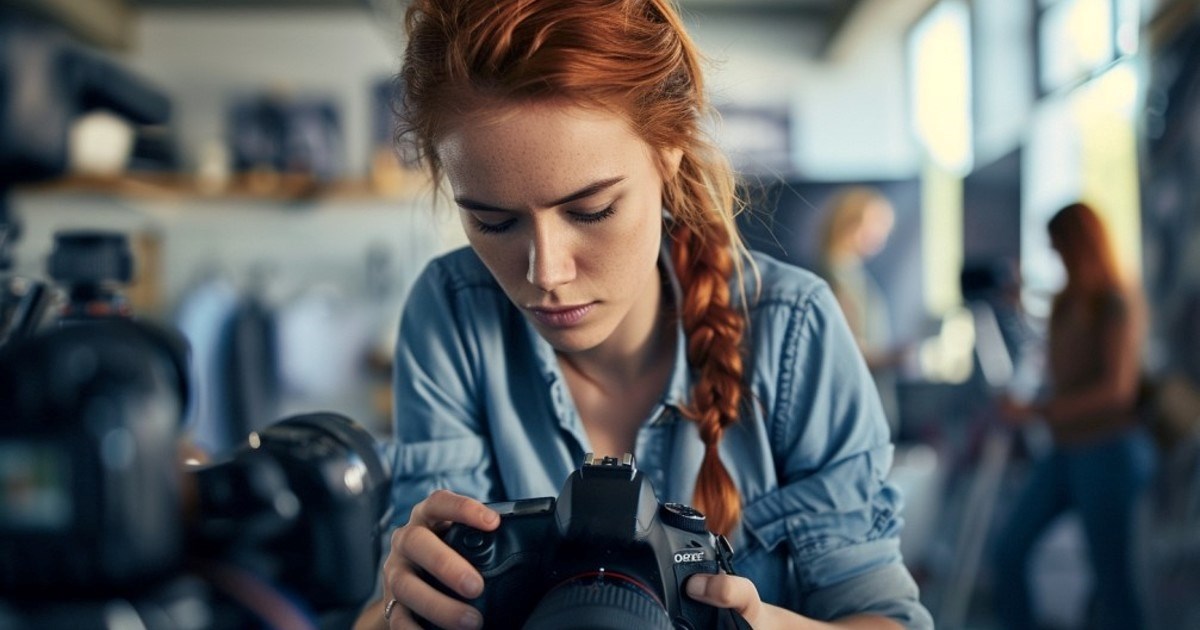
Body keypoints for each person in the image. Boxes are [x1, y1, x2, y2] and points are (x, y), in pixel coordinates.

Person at [356, 1, 932, 628]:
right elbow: (415, 596)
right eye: (493, 221)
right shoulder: (452, 315)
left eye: (591, 211)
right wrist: (395, 608)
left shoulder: (793, 332)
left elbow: (881, 615)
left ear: (670, 153)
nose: (545, 273)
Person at [991, 202, 1157, 630]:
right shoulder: (1068, 303)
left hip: (1109, 452)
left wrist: (1037, 411)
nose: (1054, 255)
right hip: (1067, 449)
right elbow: (1059, 362)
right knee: (1008, 551)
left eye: (1058, 246)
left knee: (1113, 583)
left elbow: (1117, 393)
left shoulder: (1114, 303)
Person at [815, 186, 907, 435]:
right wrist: (895, 358)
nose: (883, 234)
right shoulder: (836, 277)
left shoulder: (849, 274)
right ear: (851, 223)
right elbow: (846, 349)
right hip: (854, 412)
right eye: (878, 224)